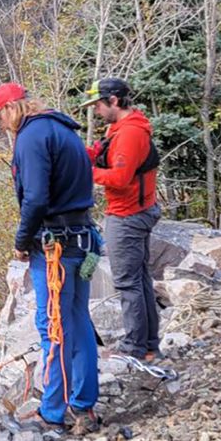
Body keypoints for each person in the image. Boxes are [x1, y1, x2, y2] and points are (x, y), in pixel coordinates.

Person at [0, 82, 101, 434]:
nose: (2, 126)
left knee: (53, 327)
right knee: (78, 322)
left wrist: (21, 241)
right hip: (83, 238)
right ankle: (83, 405)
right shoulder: (63, 129)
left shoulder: (32, 137)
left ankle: (52, 411)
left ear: (10, 109)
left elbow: (34, 199)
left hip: (56, 248)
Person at [81, 78, 162, 362]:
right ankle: (149, 344)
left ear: (113, 101)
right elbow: (105, 154)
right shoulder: (121, 129)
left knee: (128, 282)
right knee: (140, 279)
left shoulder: (129, 134)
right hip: (136, 211)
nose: (97, 112)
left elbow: (119, 178)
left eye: (99, 106)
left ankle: (134, 348)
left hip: (128, 215)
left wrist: (85, 172)